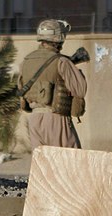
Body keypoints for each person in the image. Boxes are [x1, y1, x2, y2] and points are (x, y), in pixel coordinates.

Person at [18, 19, 87, 149]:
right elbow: (80, 89)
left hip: (34, 119)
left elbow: (21, 87)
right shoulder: (61, 61)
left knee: (43, 165)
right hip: (56, 119)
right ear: (59, 38)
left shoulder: (26, 61)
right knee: (70, 161)